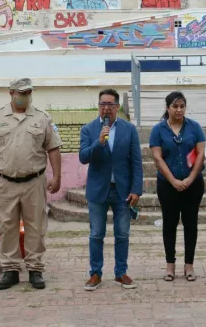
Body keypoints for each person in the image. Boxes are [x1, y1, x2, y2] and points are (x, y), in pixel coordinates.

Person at [0, 78, 63, 291]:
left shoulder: (42, 118)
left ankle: (35, 269)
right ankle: (10, 269)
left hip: (34, 181)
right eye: (21, 93)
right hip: (5, 182)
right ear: (11, 93)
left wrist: (57, 176)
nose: (25, 96)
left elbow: (53, 148)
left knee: (36, 226)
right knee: (6, 226)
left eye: (28, 93)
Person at [79, 89, 142, 291]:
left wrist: (136, 189)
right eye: (102, 104)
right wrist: (99, 142)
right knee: (96, 234)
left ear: (117, 107)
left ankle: (121, 272)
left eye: (110, 104)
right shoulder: (88, 129)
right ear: (98, 106)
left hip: (122, 191)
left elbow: (136, 161)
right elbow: (83, 157)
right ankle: (95, 273)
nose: (106, 108)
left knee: (122, 234)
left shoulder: (129, 129)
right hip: (98, 190)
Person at [149, 91, 206, 282]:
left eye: (182, 106)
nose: (179, 110)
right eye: (175, 106)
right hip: (167, 185)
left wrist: (190, 178)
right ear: (168, 108)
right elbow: (157, 157)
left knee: (191, 223)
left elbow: (201, 153)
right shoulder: (158, 130)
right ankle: (170, 265)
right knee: (169, 224)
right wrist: (173, 181)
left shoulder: (194, 127)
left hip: (193, 184)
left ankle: (189, 265)